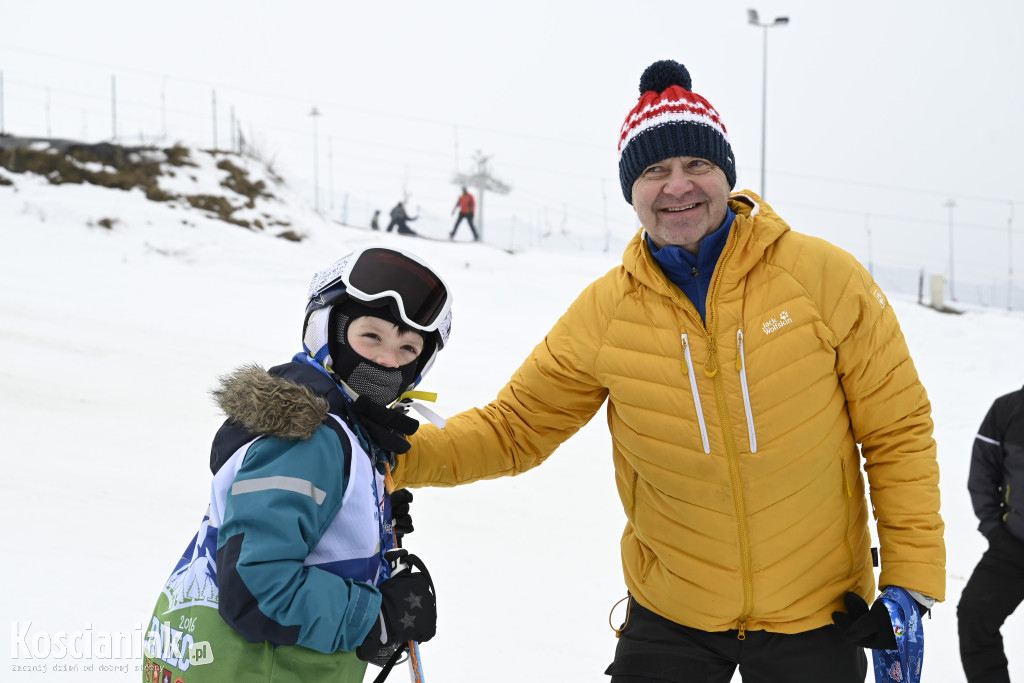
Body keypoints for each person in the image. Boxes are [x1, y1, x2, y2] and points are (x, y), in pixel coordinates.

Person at [392, 59, 945, 682]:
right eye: (655, 170)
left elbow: (897, 432)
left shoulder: (822, 277)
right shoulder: (607, 311)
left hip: (815, 617)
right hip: (671, 616)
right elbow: (513, 428)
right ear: (632, 190)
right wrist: (382, 459)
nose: (677, 186)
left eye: (695, 165)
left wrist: (910, 582)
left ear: (725, 174)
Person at [141, 246, 451, 683]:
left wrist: (366, 519)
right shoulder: (311, 439)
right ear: (329, 331)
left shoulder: (340, 428)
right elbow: (256, 587)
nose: (387, 361)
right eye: (371, 337)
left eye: (408, 349)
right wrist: (375, 618)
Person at [958, 385, 1024, 682]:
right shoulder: (1007, 409)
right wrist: (995, 530)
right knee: (975, 617)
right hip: (1013, 546)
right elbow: (983, 474)